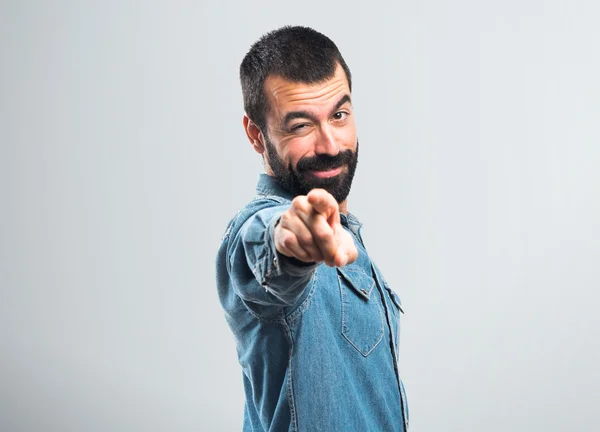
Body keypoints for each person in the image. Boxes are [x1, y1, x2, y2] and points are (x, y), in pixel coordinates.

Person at [216, 26, 409, 431]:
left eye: (339, 115)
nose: (330, 144)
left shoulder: (346, 238)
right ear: (257, 135)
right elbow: (263, 248)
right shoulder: (261, 228)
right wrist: (287, 242)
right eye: (301, 126)